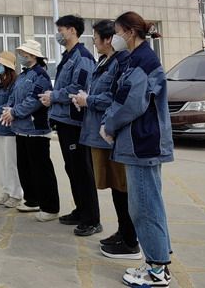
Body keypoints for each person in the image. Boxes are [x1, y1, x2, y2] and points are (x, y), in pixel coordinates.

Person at [100, 12, 174, 287]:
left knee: (144, 207)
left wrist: (109, 126)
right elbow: (121, 97)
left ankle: (157, 271)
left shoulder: (143, 61)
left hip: (142, 143)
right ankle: (157, 261)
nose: (114, 38)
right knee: (148, 204)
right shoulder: (136, 59)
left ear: (130, 33)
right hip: (139, 142)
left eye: (117, 32)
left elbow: (131, 103)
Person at [70, 20, 140, 259]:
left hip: (111, 135)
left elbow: (114, 98)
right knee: (114, 187)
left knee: (122, 188)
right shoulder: (104, 61)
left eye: (96, 38)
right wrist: (86, 98)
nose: (94, 42)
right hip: (98, 134)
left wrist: (88, 100)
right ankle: (123, 232)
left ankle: (130, 240)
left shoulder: (121, 62)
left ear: (109, 39)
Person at [38, 15, 100, 236]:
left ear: (72, 30)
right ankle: (80, 210)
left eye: (61, 29)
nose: (58, 34)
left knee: (82, 170)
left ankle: (92, 219)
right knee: (72, 169)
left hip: (76, 122)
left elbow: (78, 89)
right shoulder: (69, 56)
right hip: (65, 121)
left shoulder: (82, 58)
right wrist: (53, 97)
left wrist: (54, 96)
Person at [1, 40, 60, 221]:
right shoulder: (23, 75)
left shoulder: (40, 76)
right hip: (20, 129)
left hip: (35, 130)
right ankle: (32, 200)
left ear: (33, 55)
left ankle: (50, 207)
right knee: (25, 168)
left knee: (41, 170)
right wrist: (9, 109)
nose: (21, 56)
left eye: (23, 53)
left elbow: (33, 101)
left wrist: (14, 112)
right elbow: (13, 96)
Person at [0, 51, 22, 208]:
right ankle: (6, 190)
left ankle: (16, 194)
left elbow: (10, 104)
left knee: (11, 163)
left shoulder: (14, 84)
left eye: (1, 64)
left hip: (9, 130)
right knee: (1, 163)